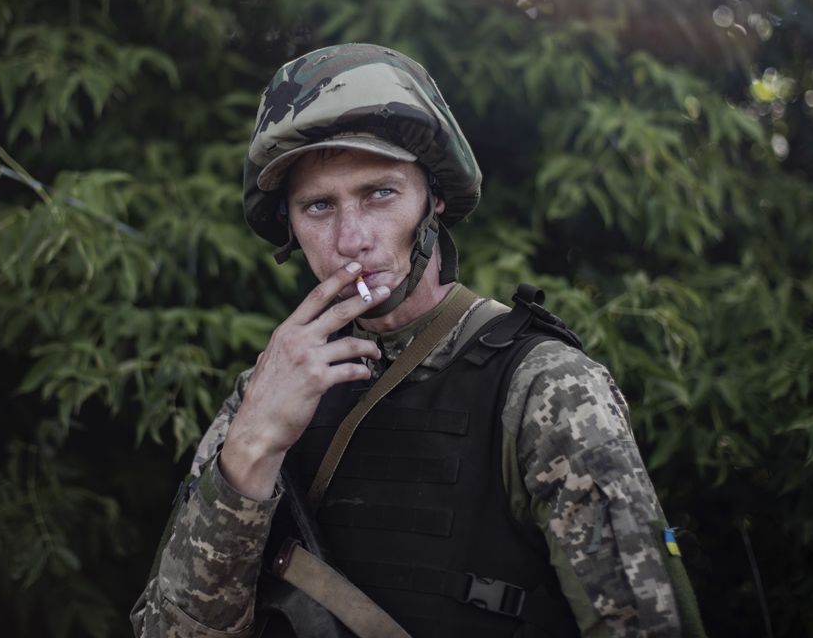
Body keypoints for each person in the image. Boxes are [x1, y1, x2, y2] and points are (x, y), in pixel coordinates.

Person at [131, 43, 703, 637]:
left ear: (434, 200)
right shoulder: (268, 389)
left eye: (380, 193)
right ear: (291, 228)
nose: (351, 238)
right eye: (318, 206)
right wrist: (249, 450)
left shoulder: (545, 388)